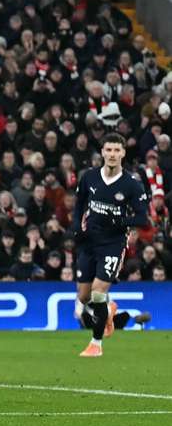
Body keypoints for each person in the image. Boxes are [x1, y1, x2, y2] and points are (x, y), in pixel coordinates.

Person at [72, 133, 149, 357]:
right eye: (109, 150)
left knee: (97, 292)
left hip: (113, 244)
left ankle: (96, 344)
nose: (112, 154)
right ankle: (108, 309)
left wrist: (118, 221)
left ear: (123, 153)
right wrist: (77, 228)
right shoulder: (89, 177)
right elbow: (79, 204)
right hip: (89, 241)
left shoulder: (132, 184)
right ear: (102, 152)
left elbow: (142, 218)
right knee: (84, 297)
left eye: (117, 150)